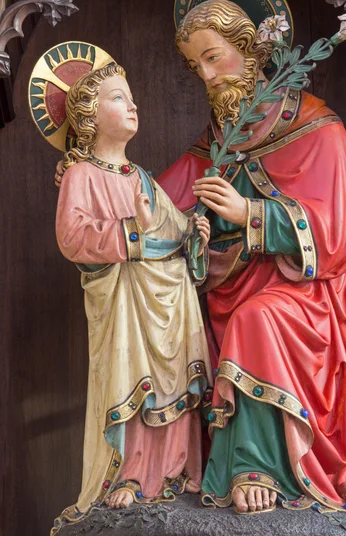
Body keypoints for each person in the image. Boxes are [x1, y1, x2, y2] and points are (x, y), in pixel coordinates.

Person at [54, 0, 346, 516]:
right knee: (177, 323)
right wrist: (92, 172)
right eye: (195, 64)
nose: (205, 75)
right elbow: (153, 202)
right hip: (225, 288)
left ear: (250, 51)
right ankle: (166, 470)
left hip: (304, 300)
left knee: (255, 318)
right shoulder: (214, 147)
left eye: (212, 56)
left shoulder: (318, 129)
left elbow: (340, 233)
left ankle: (257, 467)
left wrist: (252, 213)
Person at [53, 61, 212, 528]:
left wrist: (195, 235)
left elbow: (174, 230)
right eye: (119, 97)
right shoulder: (82, 175)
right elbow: (72, 237)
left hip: (169, 299)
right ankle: (130, 474)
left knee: (176, 383)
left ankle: (176, 471)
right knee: (133, 382)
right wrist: (132, 231)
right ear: (88, 115)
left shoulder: (142, 178)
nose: (133, 104)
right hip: (124, 304)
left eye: (132, 96)